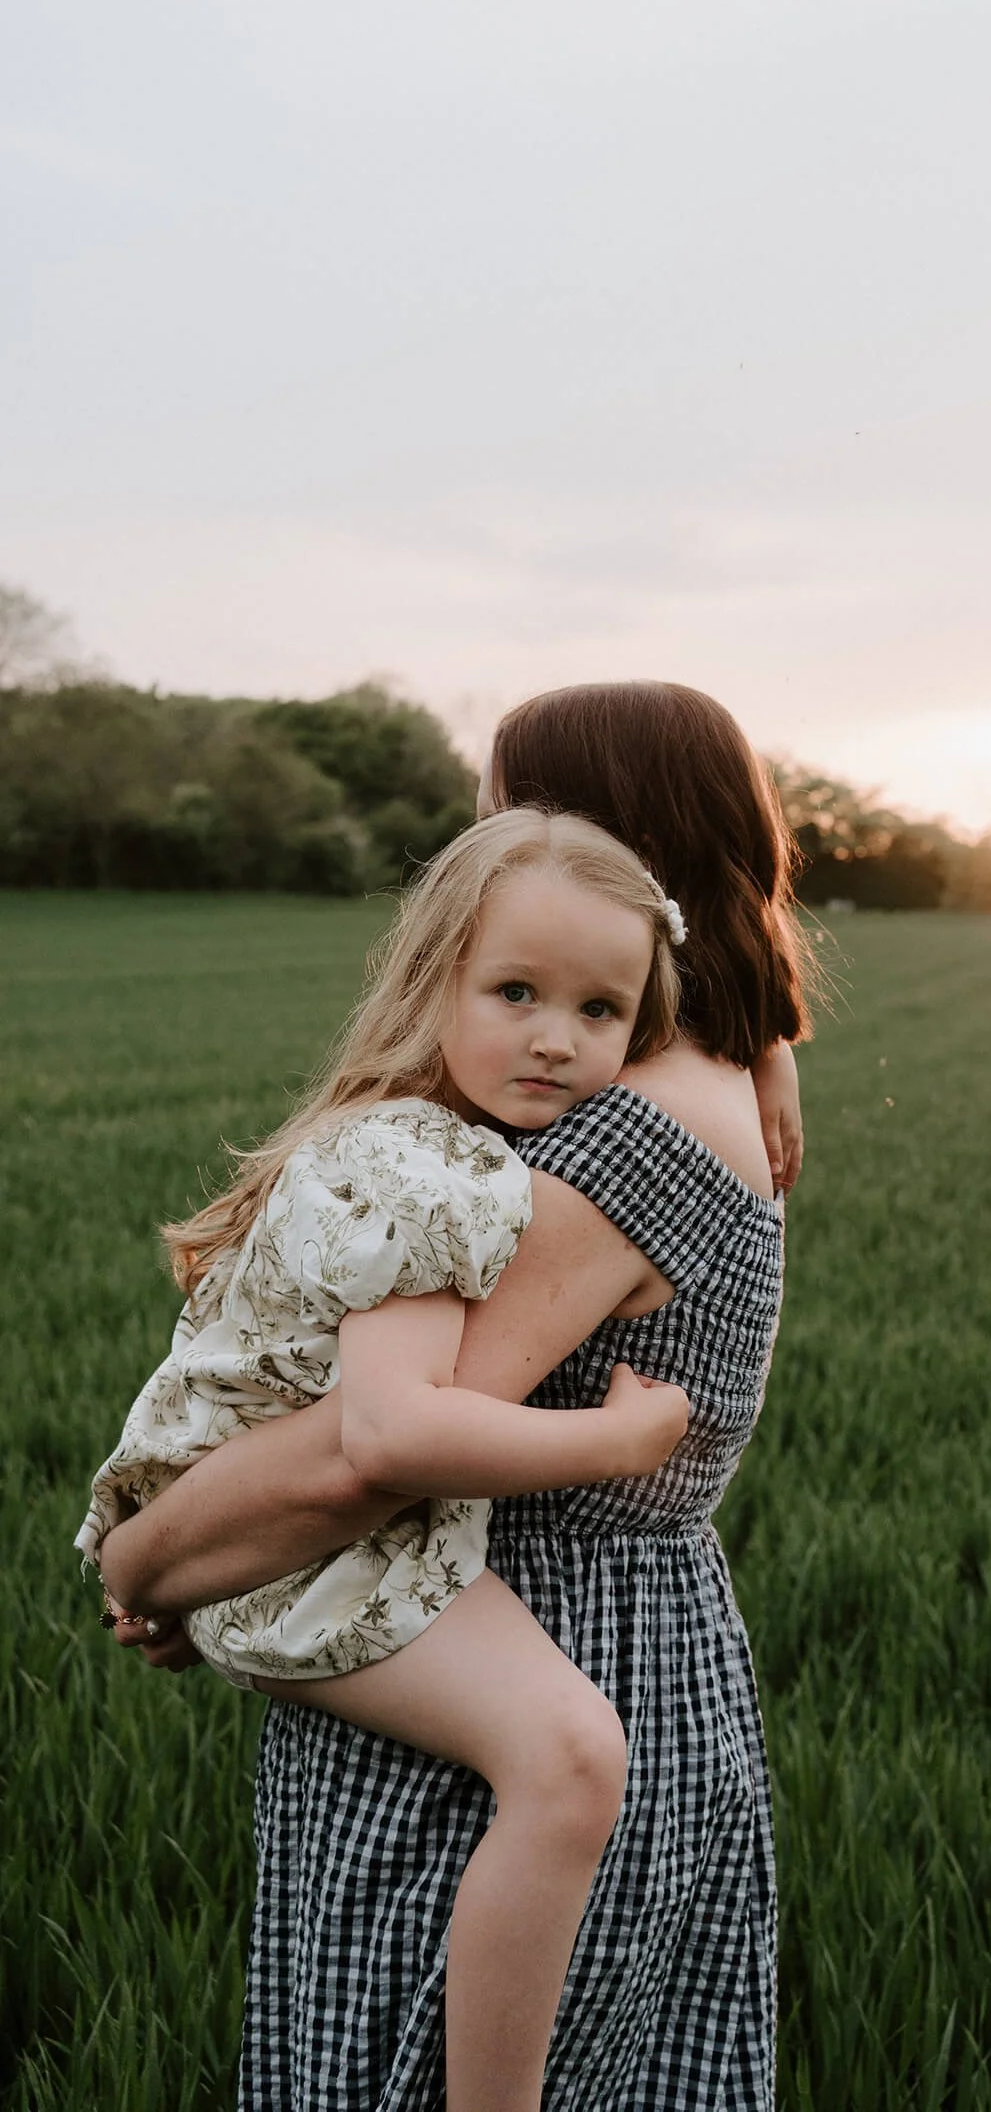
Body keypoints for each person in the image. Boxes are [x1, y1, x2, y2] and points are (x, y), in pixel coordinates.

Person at [101, 679, 812, 2112]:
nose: (485, 837)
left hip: (512, 1649)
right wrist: (776, 1029)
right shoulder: (688, 1068)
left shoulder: (623, 1131)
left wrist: (145, 1557)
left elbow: (369, 1457)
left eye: (510, 808)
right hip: (604, 1647)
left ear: (605, 844)